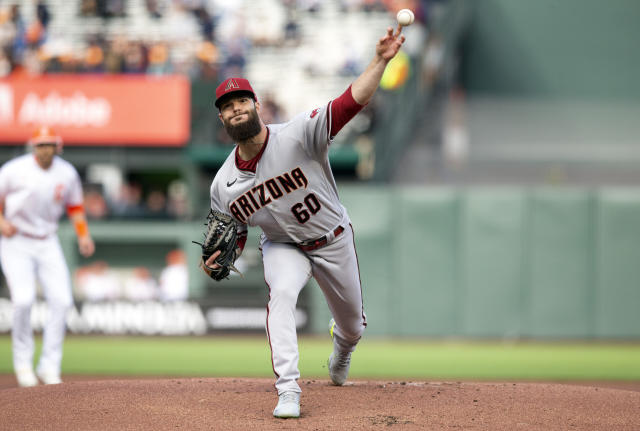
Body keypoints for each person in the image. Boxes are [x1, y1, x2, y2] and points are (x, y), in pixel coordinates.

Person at [204, 26, 406, 418]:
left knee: (353, 327)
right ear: (223, 118)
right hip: (283, 245)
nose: (236, 108)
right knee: (280, 295)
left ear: (256, 103)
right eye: (228, 106)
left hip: (332, 239)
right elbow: (234, 228)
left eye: (241, 100)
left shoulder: (298, 135)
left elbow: (351, 103)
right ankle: (288, 389)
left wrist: (380, 60)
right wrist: (220, 255)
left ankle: (342, 350)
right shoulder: (223, 184)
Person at [0, 126, 95, 387]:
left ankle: (49, 366)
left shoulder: (66, 172)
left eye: (49, 144)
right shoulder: (13, 170)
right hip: (15, 240)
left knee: (62, 300)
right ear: (33, 146)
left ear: (57, 146)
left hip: (47, 240)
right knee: (23, 300)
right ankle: (22, 365)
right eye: (40, 144)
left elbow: (74, 206)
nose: (45, 149)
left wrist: (83, 234)